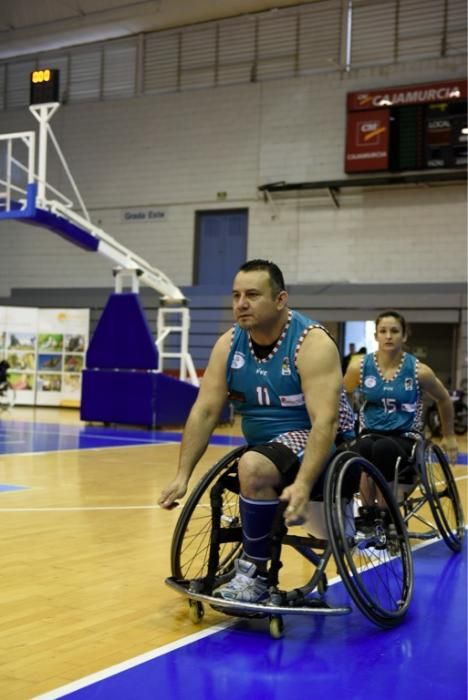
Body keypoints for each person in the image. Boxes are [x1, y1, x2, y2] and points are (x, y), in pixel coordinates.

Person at [159, 259, 355, 603]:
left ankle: (255, 574)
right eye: (236, 295)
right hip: (268, 445)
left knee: (253, 465)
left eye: (252, 294)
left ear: (280, 300)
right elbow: (205, 411)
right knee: (254, 461)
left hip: (318, 437)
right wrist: (181, 475)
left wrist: (304, 483)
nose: (241, 304)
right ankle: (251, 562)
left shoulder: (312, 343)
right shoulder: (229, 344)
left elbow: (325, 422)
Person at [343, 310, 458, 488]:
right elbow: (341, 395)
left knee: (383, 449)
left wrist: (449, 435)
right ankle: (367, 511)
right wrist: (345, 427)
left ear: (404, 336)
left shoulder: (419, 371)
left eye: (395, 331)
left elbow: (443, 399)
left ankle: (385, 510)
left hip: (405, 435)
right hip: (370, 431)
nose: (388, 336)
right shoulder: (358, 367)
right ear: (376, 336)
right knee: (362, 449)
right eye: (383, 331)